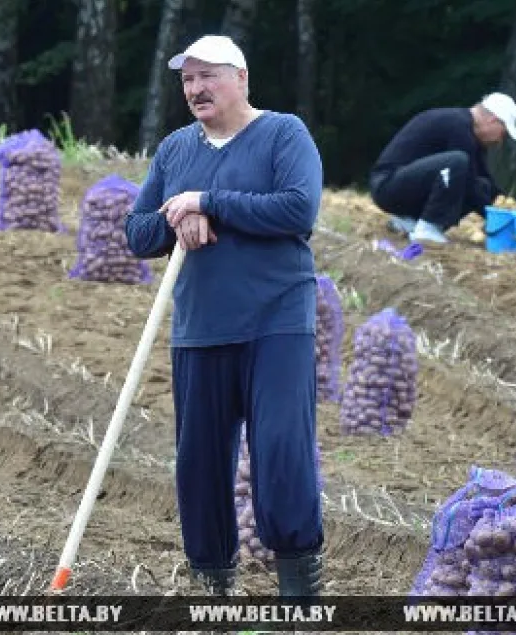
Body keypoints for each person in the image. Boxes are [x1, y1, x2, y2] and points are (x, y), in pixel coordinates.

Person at [123, 34, 325, 597]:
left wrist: (209, 201)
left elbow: (296, 208)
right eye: (187, 79)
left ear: (240, 77)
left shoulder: (284, 133)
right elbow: (138, 233)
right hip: (200, 328)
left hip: (276, 321)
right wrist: (177, 213)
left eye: (207, 75)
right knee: (199, 463)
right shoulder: (175, 149)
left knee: (281, 451)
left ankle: (300, 598)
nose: (196, 88)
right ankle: (213, 592)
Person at [368, 93, 516, 244]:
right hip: (387, 185)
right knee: (457, 163)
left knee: (480, 184)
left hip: (405, 186)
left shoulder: (468, 131)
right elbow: (468, 183)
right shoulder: (458, 126)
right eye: (503, 132)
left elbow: (483, 180)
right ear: (492, 120)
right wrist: (494, 216)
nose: (500, 140)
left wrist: (504, 205)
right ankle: (428, 229)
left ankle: (409, 222)